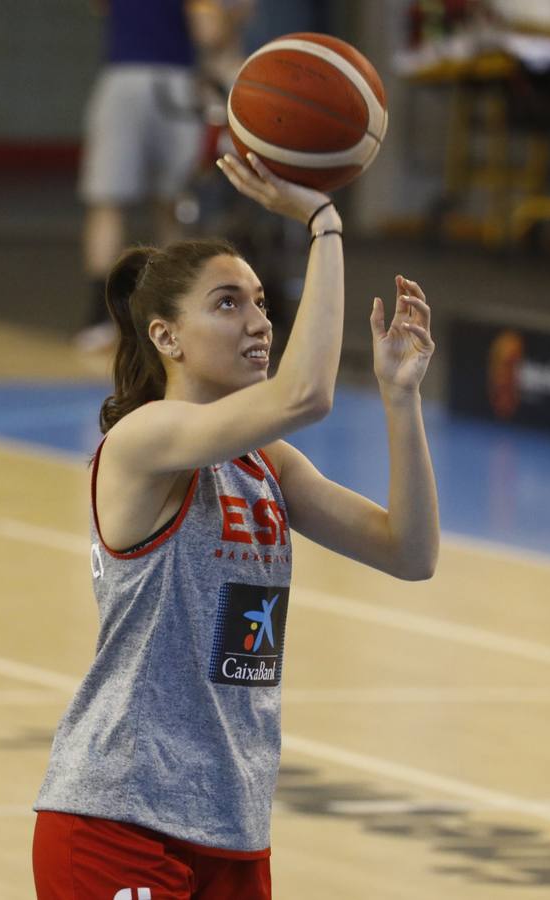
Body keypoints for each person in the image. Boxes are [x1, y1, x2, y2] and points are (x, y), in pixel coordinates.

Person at [33, 152, 439, 898]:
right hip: (119, 818)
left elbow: (408, 553)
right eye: (228, 304)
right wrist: (323, 222)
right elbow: (306, 394)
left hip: (233, 823)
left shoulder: (266, 464)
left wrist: (400, 398)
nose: (258, 322)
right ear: (166, 337)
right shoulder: (144, 441)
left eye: (259, 300)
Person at [74, 0, 252, 354]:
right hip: (174, 84)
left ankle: (99, 319)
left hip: (120, 81)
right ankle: (177, 318)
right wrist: (234, 18)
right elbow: (208, 30)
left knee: (107, 204)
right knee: (174, 205)